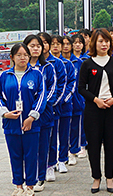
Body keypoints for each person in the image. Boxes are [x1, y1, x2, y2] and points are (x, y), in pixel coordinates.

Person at [0, 43, 46, 196]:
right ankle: (18, 185)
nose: (23, 58)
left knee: (31, 155)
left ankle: (30, 186)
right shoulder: (5, 76)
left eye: (25, 55)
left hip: (31, 124)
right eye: (19, 55)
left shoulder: (36, 75)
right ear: (12, 57)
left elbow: (41, 97)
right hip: (11, 124)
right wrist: (5, 113)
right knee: (15, 155)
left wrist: (31, 117)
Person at [78, 29, 113, 194]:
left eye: (106, 41)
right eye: (100, 41)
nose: (104, 44)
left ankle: (110, 177)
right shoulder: (87, 64)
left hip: (112, 109)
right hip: (93, 109)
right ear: (94, 43)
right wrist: (96, 100)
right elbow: (81, 88)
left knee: (112, 144)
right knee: (94, 144)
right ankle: (96, 177)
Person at [23, 34, 57, 192]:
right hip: (26, 115)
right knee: (29, 147)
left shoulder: (48, 67)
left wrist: (40, 107)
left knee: (43, 146)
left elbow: (51, 89)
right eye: (32, 45)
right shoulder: (22, 67)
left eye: (38, 46)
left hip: (44, 114)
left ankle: (40, 177)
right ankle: (29, 176)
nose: (35, 48)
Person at [38, 32, 65, 182]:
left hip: (50, 107)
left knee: (51, 138)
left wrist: (50, 104)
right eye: (39, 43)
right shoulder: (31, 64)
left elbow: (59, 86)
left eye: (45, 42)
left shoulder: (56, 63)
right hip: (33, 111)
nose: (42, 46)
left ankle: (50, 165)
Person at [50, 35, 76, 174]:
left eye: (58, 44)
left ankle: (62, 159)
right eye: (52, 44)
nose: (55, 46)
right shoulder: (47, 64)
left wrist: (62, 99)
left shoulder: (67, 64)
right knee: (52, 136)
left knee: (64, 134)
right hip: (51, 107)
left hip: (65, 105)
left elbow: (71, 84)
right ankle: (52, 161)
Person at [71, 34, 88, 158]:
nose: (77, 45)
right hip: (69, 94)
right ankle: (70, 146)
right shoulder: (68, 60)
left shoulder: (86, 60)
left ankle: (82, 144)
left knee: (82, 121)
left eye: (80, 42)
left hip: (82, 94)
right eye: (75, 42)